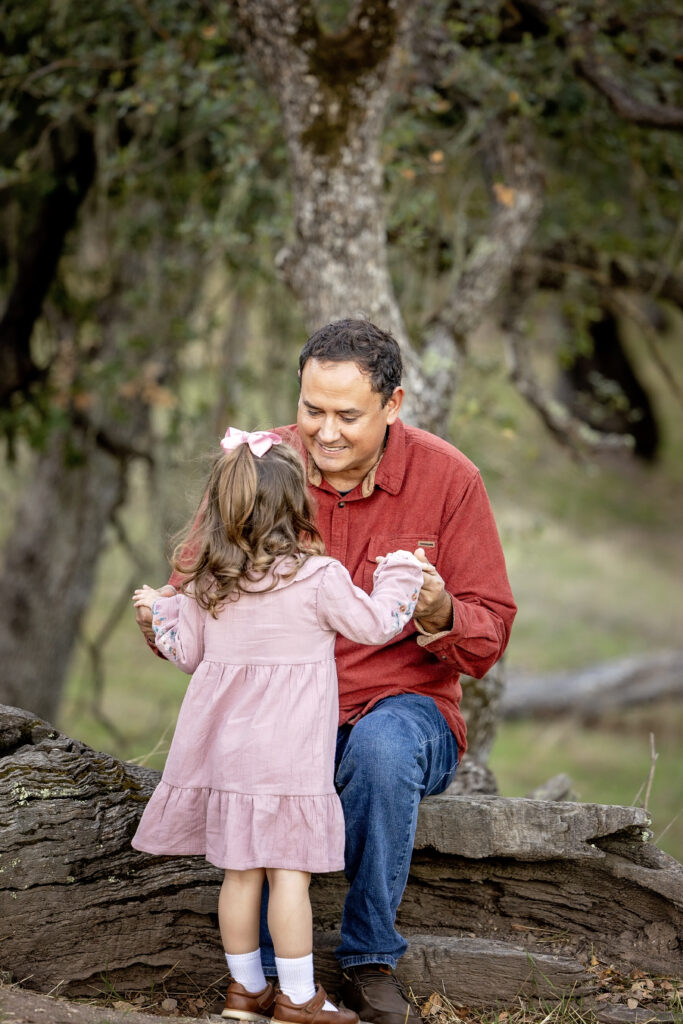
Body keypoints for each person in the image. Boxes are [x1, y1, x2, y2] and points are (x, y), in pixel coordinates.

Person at [137, 319, 517, 1024]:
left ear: (393, 405)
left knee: (378, 755)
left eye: (348, 415)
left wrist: (436, 610)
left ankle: (368, 957)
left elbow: (488, 635)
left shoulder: (448, 479)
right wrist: (161, 624)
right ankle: (271, 981)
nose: (325, 431)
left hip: (396, 702)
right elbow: (194, 591)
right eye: (312, 409)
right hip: (278, 717)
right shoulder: (258, 465)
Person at [131, 427, 425, 1024]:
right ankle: (297, 997)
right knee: (287, 878)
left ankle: (244, 993)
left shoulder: (210, 584)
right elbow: (375, 624)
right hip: (289, 762)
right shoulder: (318, 579)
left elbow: (186, 654)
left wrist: (159, 612)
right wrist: (401, 575)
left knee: (239, 877)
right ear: (298, 507)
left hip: (227, 760)